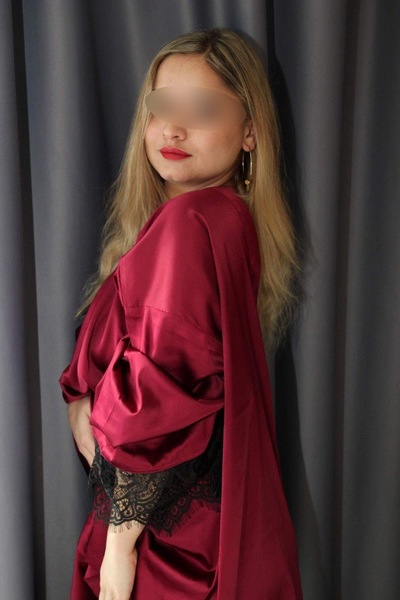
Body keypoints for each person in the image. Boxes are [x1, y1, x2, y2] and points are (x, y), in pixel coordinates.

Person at [60, 27, 303, 600]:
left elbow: (159, 390)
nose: (173, 128)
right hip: (192, 526)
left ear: (250, 132)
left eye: (203, 110)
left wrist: (119, 548)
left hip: (163, 548)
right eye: (162, 107)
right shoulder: (228, 220)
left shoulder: (190, 224)